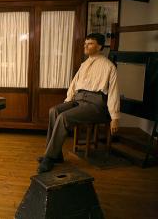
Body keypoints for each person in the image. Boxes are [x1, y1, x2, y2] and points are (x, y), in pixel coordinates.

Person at [37, 33, 120, 173]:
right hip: (79, 99)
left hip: (95, 105)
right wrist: (68, 102)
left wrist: (115, 117)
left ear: (99, 46)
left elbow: (114, 93)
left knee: (64, 117)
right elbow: (74, 85)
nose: (86, 46)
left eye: (90, 43)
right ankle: (55, 154)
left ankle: (49, 157)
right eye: (85, 43)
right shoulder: (84, 64)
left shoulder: (109, 66)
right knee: (54, 110)